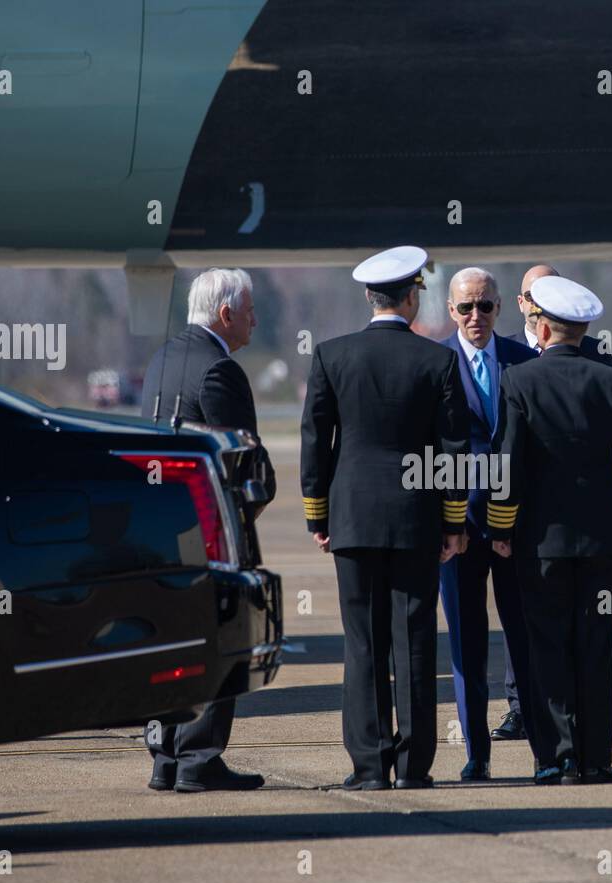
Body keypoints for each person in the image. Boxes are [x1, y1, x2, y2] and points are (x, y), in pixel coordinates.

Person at [301, 246, 471, 790]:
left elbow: (315, 443)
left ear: (368, 297)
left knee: (363, 644)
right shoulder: (438, 360)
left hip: (352, 516)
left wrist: (317, 515)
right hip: (416, 518)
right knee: (414, 640)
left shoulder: (331, 355)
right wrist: (452, 521)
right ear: (412, 295)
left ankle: (370, 767)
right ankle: (414, 765)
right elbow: (452, 449)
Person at [490, 276, 612, 784]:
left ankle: (555, 758)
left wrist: (502, 527)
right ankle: (596, 758)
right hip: (603, 541)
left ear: (541, 328)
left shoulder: (518, 382)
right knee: (595, 647)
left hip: (541, 544)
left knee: (547, 649)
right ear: (583, 330)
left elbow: (508, 464)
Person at [140, 267, 271, 793]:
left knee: (168, 640)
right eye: (250, 310)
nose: (255, 320)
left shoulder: (163, 358)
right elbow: (244, 463)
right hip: (208, 531)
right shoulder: (220, 369)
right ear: (226, 314)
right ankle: (199, 758)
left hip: (157, 526)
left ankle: (165, 757)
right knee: (218, 638)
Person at [437, 268, 540, 780]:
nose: (475, 317)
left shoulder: (524, 360)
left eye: (485, 306)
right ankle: (477, 753)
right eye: (465, 308)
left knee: (526, 637)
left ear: (501, 308)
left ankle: (545, 750)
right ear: (450, 311)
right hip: (457, 530)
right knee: (466, 643)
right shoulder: (435, 364)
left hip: (519, 528)